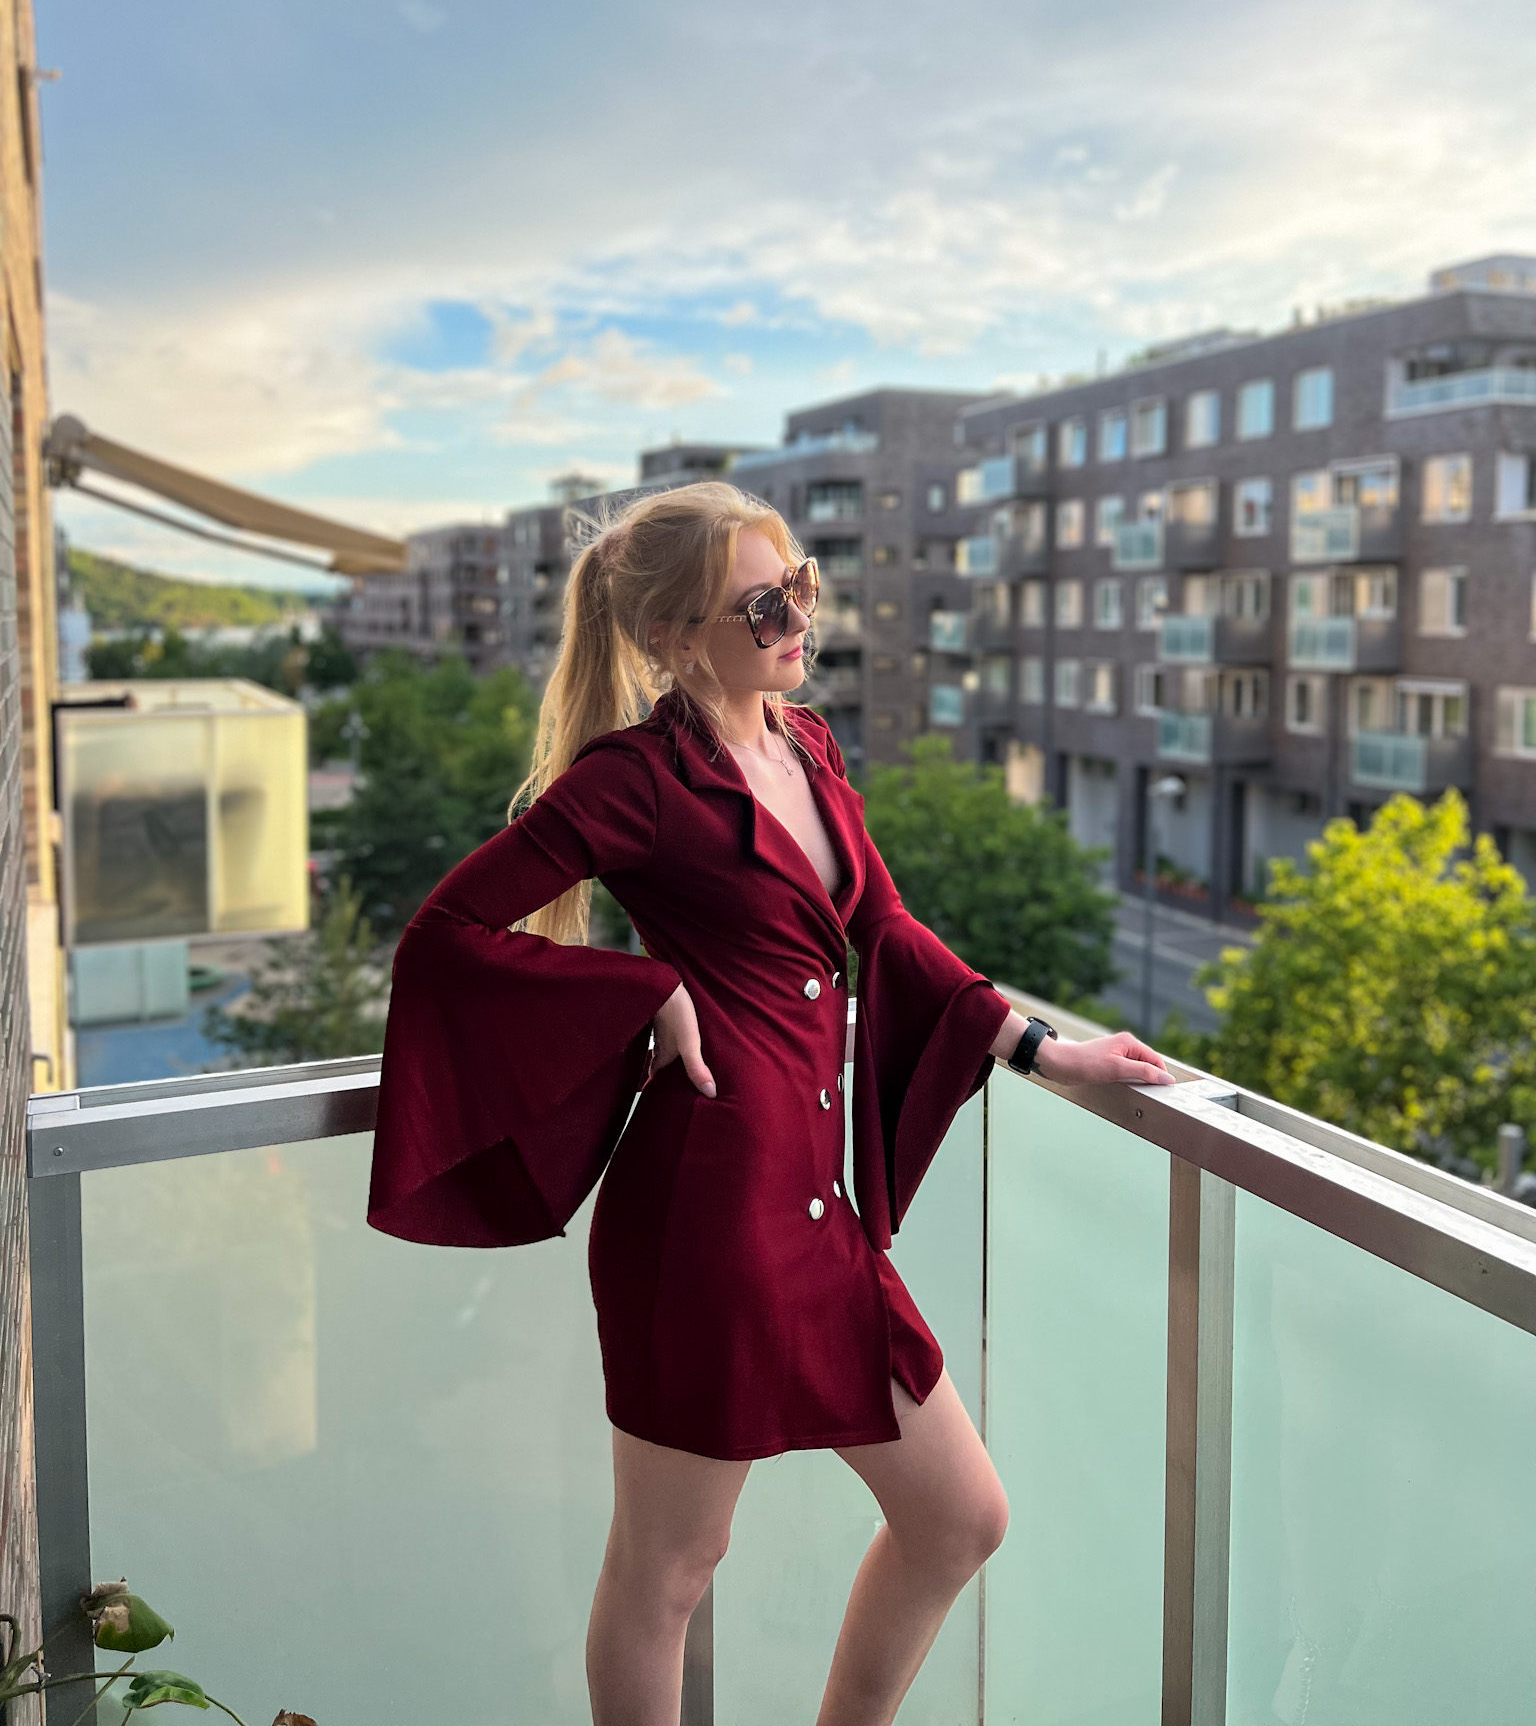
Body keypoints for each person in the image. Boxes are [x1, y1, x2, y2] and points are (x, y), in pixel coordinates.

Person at [368, 481, 1172, 1726]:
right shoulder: (629, 781)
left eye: (801, 584)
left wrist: (1039, 1048)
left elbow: (887, 930)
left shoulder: (811, 745)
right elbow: (444, 934)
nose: (801, 616)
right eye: (764, 601)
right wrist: (636, 994)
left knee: (960, 1517)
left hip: (822, 1207)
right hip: (706, 1216)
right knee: (671, 1566)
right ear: (678, 637)